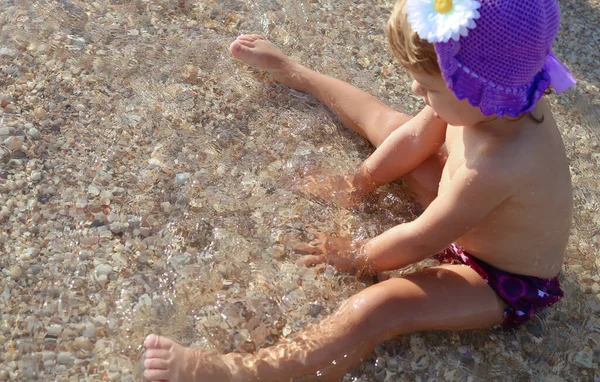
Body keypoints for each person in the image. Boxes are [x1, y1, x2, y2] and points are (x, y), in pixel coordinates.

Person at [142, 0, 576, 380]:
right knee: (394, 126)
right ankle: (295, 72)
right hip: (463, 208)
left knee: (382, 306)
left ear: (476, 90)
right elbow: (411, 140)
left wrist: (357, 256)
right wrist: (360, 182)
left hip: (495, 279)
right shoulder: (496, 97)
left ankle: (237, 374)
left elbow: (423, 237)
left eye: (428, 86)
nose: (415, 89)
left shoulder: (501, 164)